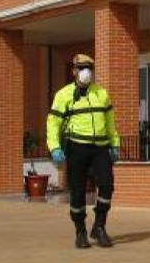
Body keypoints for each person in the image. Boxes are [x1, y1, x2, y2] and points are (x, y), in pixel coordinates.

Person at [47, 53, 118, 249]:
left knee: (107, 185)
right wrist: (54, 147)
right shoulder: (63, 95)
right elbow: (53, 123)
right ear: (74, 71)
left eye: (89, 68)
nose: (86, 72)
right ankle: (80, 231)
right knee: (77, 191)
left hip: (100, 148)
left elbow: (110, 122)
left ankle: (100, 226)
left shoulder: (101, 93)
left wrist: (115, 143)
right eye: (81, 68)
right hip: (77, 147)